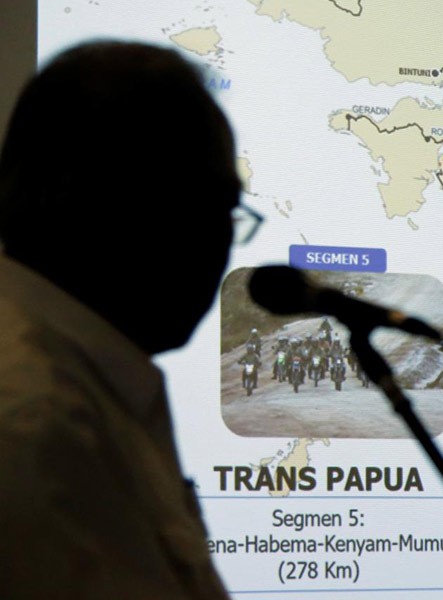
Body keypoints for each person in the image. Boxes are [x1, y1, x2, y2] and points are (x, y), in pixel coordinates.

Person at [0, 41, 241, 598]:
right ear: (113, 197)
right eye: (214, 207)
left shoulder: (82, 384)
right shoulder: (39, 423)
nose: (222, 243)